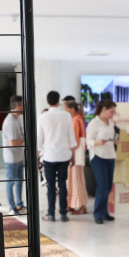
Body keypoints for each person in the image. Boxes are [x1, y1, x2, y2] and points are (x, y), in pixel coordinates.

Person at [37, 90, 76, 222]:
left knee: (51, 186)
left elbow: (39, 140)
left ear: (48, 102)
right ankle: (63, 214)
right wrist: (73, 156)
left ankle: (51, 214)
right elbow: (72, 138)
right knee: (63, 185)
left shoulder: (42, 117)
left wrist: (42, 151)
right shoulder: (66, 116)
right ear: (59, 101)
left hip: (49, 156)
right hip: (64, 155)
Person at [86, 100, 118, 224]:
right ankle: (98, 214)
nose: (113, 114)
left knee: (109, 187)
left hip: (110, 156)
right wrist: (97, 142)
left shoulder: (110, 123)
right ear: (104, 109)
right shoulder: (94, 123)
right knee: (102, 186)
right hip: (98, 157)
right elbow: (88, 141)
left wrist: (115, 141)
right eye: (111, 111)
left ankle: (104, 212)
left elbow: (111, 137)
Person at [2, 95, 26, 215]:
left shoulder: (16, 119)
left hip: (18, 156)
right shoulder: (10, 122)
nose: (23, 107)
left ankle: (19, 204)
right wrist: (25, 138)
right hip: (11, 158)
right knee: (11, 182)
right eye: (21, 105)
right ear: (16, 106)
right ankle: (12, 207)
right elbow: (12, 143)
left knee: (19, 181)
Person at [64, 100, 88, 215]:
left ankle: (81, 206)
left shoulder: (76, 120)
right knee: (75, 181)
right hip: (77, 156)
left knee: (76, 181)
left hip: (76, 157)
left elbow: (75, 142)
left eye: (66, 109)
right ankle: (73, 204)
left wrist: (70, 154)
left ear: (72, 109)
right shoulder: (78, 119)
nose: (65, 111)